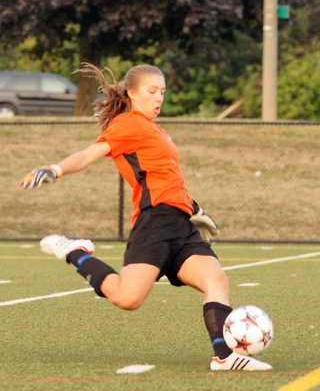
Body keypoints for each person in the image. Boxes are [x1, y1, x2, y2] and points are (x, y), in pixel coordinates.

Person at [18, 63, 272, 371]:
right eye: (152, 91)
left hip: (181, 224)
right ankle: (74, 252)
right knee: (128, 299)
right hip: (154, 224)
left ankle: (224, 356)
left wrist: (194, 209)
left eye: (162, 92)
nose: (159, 98)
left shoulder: (156, 129)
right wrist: (55, 169)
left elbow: (166, 178)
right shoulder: (128, 124)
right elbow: (90, 153)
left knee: (216, 279)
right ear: (131, 93)